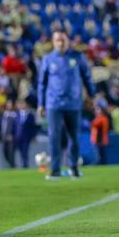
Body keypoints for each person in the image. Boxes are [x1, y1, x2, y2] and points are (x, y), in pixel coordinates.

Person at [37, 29, 96, 180]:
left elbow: (87, 77)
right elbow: (42, 83)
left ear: (67, 41)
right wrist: (41, 104)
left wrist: (92, 95)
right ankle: (55, 170)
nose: (61, 43)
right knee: (54, 137)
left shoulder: (77, 57)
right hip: (53, 104)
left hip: (73, 103)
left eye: (63, 40)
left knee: (74, 137)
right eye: (58, 40)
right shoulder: (48, 59)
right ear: (53, 42)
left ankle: (74, 168)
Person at [13, 100, 37, 168]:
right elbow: (14, 126)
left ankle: (25, 164)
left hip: (26, 137)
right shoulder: (16, 114)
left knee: (25, 151)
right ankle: (20, 164)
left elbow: (33, 126)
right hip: (17, 136)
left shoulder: (30, 115)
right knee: (19, 152)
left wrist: (33, 136)